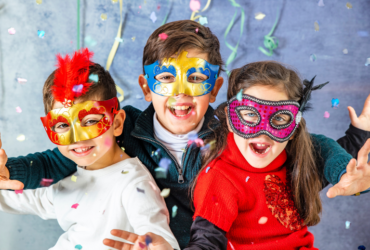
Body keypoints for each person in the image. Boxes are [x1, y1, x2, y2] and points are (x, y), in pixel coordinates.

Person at [1, 21, 369, 249]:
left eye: (196, 78)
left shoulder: (240, 133)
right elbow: (57, 160)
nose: (180, 93)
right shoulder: (122, 127)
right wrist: (11, 172)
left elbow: (308, 152)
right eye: (165, 79)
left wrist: (352, 156)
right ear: (146, 88)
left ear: (215, 88)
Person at [0, 49, 179, 250]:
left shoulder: (134, 184)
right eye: (62, 125)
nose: (77, 138)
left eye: (91, 121)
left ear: (117, 123)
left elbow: (159, 238)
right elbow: (37, 199)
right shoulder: (76, 175)